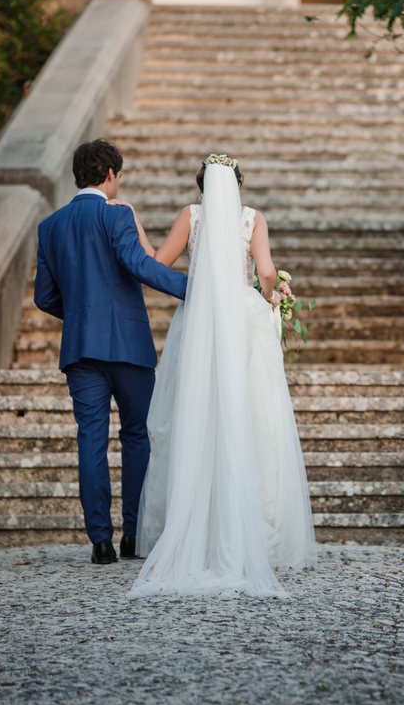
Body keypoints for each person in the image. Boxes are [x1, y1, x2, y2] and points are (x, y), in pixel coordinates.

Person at [115, 154, 317, 598]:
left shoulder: (191, 216)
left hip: (199, 319)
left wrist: (134, 222)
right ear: (238, 184)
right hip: (243, 319)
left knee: (196, 412)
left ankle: (193, 527)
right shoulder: (252, 219)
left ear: (202, 185)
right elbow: (266, 272)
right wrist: (270, 293)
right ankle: (251, 527)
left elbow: (157, 262)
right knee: (252, 415)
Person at [33, 139, 189, 565]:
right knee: (137, 436)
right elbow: (139, 264)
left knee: (91, 439)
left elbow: (44, 297)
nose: (119, 183)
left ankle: (100, 542)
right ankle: (133, 536)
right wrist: (194, 287)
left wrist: (81, 314)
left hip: (80, 349)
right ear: (109, 175)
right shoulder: (116, 214)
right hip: (128, 345)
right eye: (119, 176)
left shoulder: (49, 226)